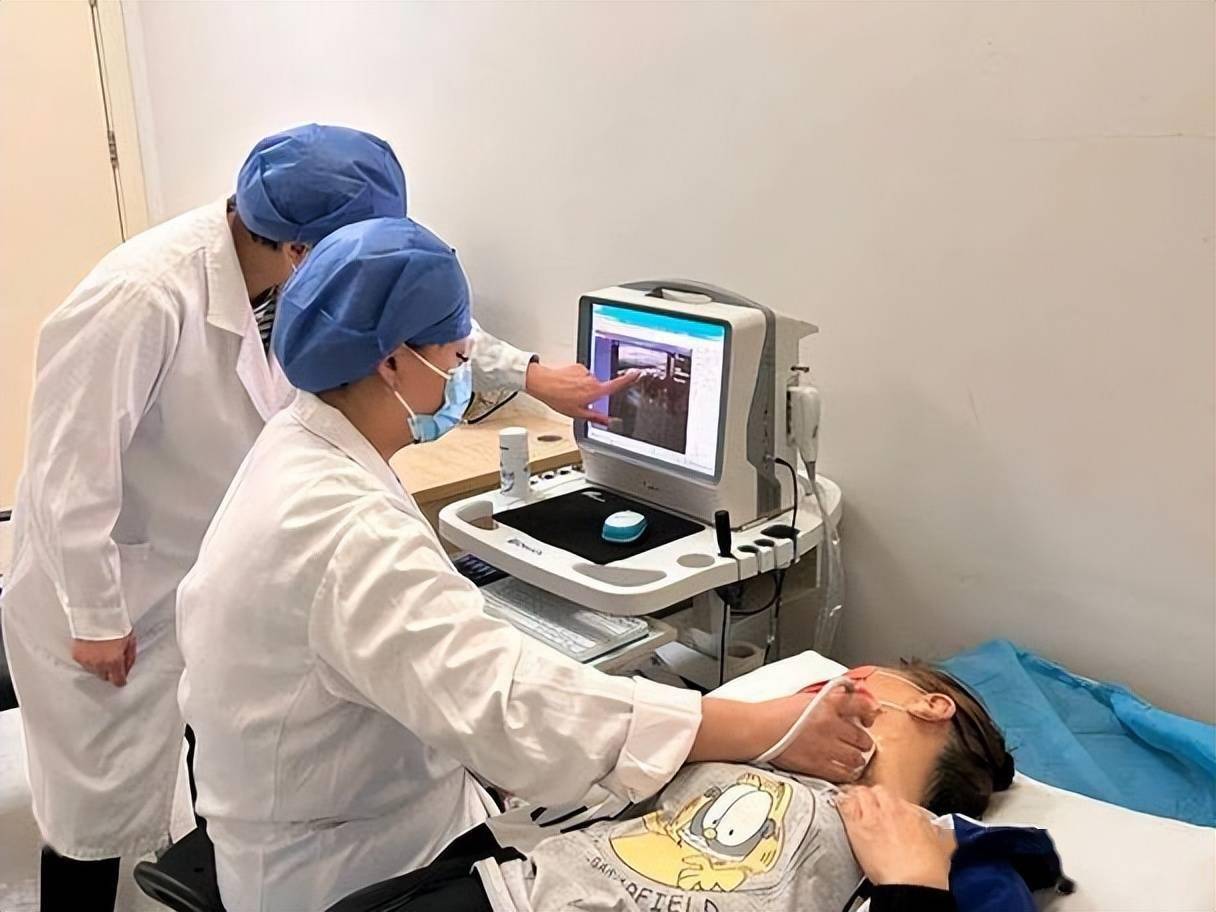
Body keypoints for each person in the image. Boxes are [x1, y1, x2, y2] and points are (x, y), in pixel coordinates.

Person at [0, 123, 635, 912]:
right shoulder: (142, 295)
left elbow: (408, 317)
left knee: (227, 750)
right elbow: (66, 469)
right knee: (89, 816)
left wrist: (530, 374)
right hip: (109, 584)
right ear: (305, 254)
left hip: (212, 568)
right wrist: (94, 615)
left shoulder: (291, 268)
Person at [175, 216, 883, 912]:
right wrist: (762, 726)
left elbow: (453, 674)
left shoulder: (298, 441)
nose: (462, 375)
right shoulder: (345, 527)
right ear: (390, 363)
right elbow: (510, 707)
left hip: (339, 801)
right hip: (348, 868)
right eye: (455, 357)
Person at [326, 663, 1014, 912]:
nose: (837, 683)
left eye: (864, 674)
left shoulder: (933, 854)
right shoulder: (751, 751)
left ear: (931, 706)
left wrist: (914, 890)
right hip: (499, 897)